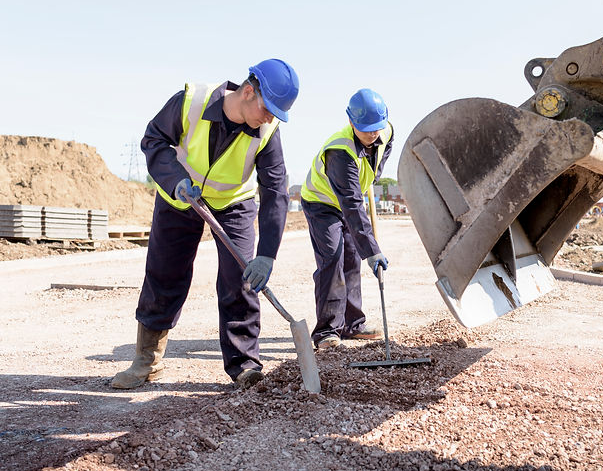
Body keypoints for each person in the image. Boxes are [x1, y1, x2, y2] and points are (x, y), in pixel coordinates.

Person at [111, 59, 298, 391]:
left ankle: (244, 366)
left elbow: (275, 191)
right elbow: (154, 140)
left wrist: (267, 254)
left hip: (233, 203)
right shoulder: (191, 102)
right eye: (268, 109)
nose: (270, 118)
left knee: (240, 278)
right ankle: (146, 360)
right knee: (165, 273)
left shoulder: (267, 131)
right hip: (180, 197)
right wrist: (175, 180)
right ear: (248, 91)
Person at [300, 88, 393, 350]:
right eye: (366, 129)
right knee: (332, 259)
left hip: (347, 201)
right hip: (322, 204)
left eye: (377, 127)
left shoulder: (385, 131)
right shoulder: (339, 152)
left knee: (352, 260)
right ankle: (327, 332)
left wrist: (374, 174)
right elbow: (352, 205)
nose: (373, 134)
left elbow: (387, 143)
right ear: (351, 122)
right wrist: (373, 251)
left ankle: (353, 325)